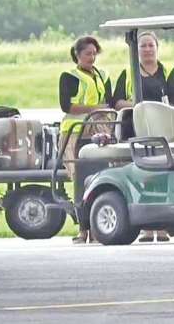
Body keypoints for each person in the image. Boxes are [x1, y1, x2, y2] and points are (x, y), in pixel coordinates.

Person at [112, 31, 174, 243]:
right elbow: (116, 102)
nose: (147, 49)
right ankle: (144, 227)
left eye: (151, 45)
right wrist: (136, 105)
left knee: (160, 175)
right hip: (134, 130)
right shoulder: (127, 73)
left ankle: (160, 226)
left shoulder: (169, 71)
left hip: (160, 132)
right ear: (136, 49)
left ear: (157, 48)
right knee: (139, 175)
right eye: (143, 46)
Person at [58, 36, 115, 244]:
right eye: (87, 54)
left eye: (93, 53)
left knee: (100, 175)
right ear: (77, 55)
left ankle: (96, 226)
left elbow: (108, 100)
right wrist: (94, 109)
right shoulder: (69, 76)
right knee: (80, 179)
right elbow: (67, 106)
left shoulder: (102, 75)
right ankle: (83, 228)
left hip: (98, 130)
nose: (91, 58)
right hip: (77, 131)